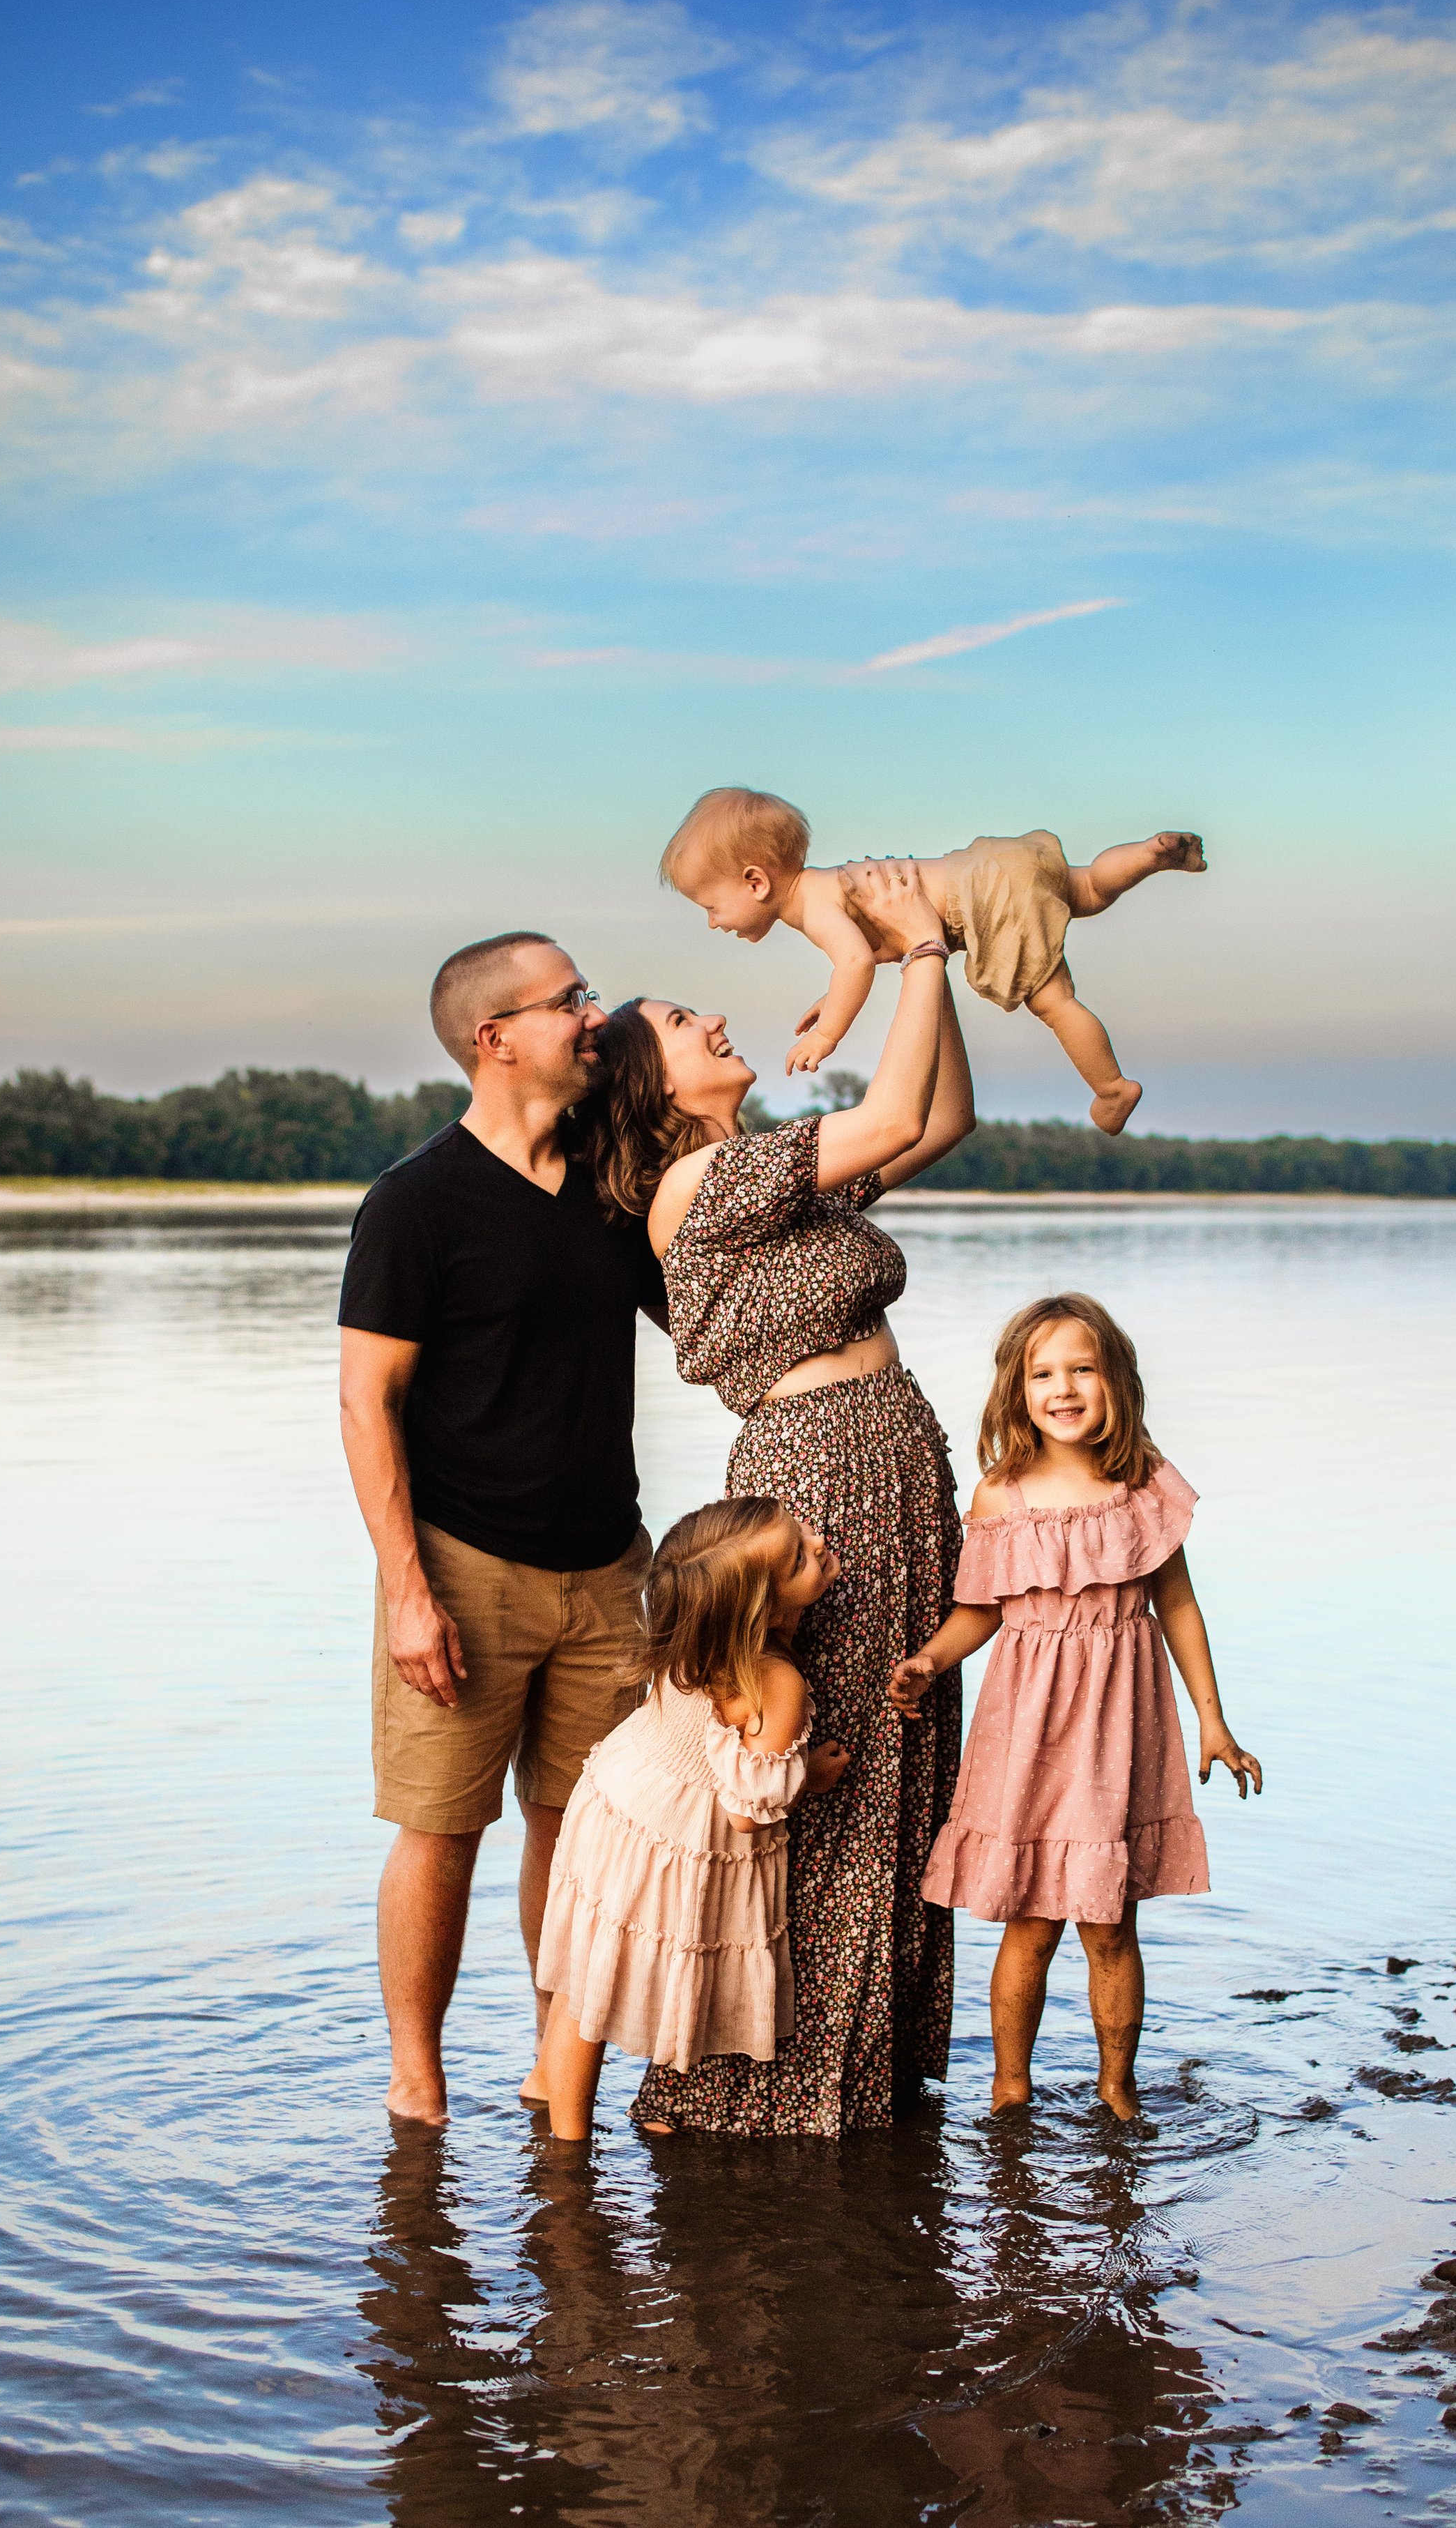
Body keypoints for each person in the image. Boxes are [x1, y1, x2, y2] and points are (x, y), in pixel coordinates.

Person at [584, 857, 975, 2135]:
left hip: (890, 1456)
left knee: (904, 1752)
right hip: (820, 1471)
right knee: (828, 1762)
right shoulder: (697, 1184)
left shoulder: (765, 1174)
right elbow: (885, 1107)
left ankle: (867, 2069)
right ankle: (769, 2080)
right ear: (654, 1089)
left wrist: (945, 960)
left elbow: (934, 1121)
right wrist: (910, 947)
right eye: (683, 1025)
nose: (713, 1020)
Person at [337, 931, 666, 2126]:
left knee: (576, 1836)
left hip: (609, 1567)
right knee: (441, 1831)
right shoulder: (417, 1203)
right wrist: (405, 1591)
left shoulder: (610, 1181)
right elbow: (367, 1401)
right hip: (465, 1568)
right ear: (496, 1037)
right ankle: (417, 2082)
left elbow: (704, 1304)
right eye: (568, 998)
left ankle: (549, 2060)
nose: (592, 1013)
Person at [887, 1293, 1263, 2119]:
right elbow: (981, 1609)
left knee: (1109, 1922)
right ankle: (1009, 2088)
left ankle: (1117, 2089)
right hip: (1028, 1730)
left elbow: (1179, 1606)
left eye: (1083, 1370)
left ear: (1116, 1381)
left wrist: (1212, 1717)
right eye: (1043, 1373)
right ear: (1016, 1391)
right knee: (1029, 1921)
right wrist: (928, 1660)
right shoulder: (1000, 1495)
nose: (1063, 1388)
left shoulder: (1143, 1485)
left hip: (1122, 1727)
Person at [530, 1498, 852, 2140]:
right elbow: (744, 1813)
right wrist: (807, 1777)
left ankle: (560, 2129)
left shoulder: (689, 1640)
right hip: (672, 1839)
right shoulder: (776, 1682)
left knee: (588, 1979)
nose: (817, 1541)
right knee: (611, 1978)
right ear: (764, 1609)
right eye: (797, 1556)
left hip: (617, 1804)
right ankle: (571, 2148)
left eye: (800, 1533)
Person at [659, 784, 1206, 1131]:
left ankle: (1113, 1088)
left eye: (711, 906)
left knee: (1056, 1001)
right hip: (993, 866)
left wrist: (825, 1037)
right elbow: (875, 948)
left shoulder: (815, 906)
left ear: (755, 882)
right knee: (1085, 887)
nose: (713, 922)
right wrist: (832, 1001)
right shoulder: (826, 889)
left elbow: (851, 963)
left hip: (983, 901)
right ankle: (1149, 854)